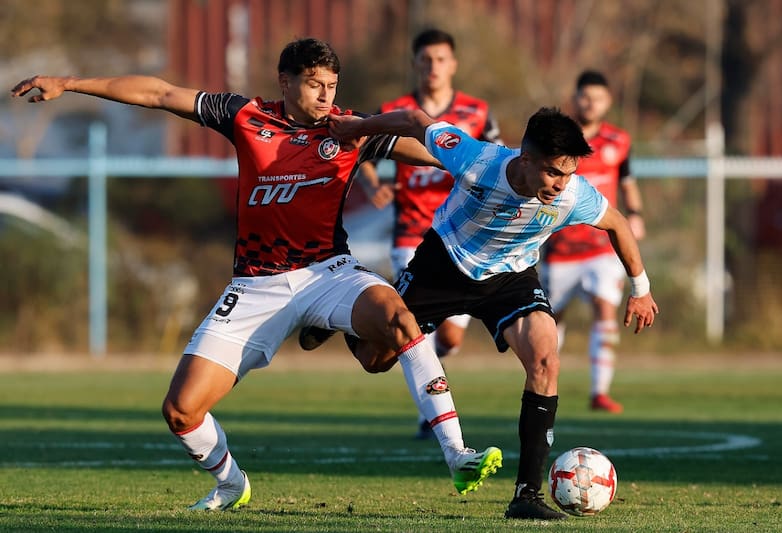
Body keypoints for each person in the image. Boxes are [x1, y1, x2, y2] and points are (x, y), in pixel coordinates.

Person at [10, 38, 501, 510]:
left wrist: (496, 167)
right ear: (285, 82)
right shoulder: (245, 116)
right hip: (256, 284)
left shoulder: (350, 129)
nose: (326, 95)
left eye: (332, 84)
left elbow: (441, 154)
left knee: (400, 320)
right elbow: (159, 93)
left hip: (329, 272)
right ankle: (231, 484)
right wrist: (70, 83)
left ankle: (457, 454)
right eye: (314, 84)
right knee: (180, 411)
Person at [321, 106, 658, 520]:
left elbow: (618, 223)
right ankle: (345, 309)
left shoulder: (574, 194)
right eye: (553, 172)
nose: (561, 184)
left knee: (546, 359)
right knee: (374, 360)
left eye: (569, 174)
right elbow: (414, 120)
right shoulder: (477, 160)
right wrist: (359, 127)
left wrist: (641, 289)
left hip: (510, 278)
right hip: (443, 266)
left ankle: (526, 496)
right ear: (525, 158)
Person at [350, 28, 503, 440]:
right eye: (426, 59)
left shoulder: (477, 112)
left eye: (440, 59)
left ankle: (427, 365)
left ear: (453, 64)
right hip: (411, 234)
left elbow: (498, 163)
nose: (433, 66)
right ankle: (432, 417)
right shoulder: (394, 110)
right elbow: (358, 143)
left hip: (462, 236)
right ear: (415, 64)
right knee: (414, 329)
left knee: (448, 336)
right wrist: (372, 183)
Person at [540, 70, 646, 414]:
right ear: (575, 99)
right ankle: (543, 381)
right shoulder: (560, 141)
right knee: (550, 320)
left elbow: (627, 182)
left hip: (602, 248)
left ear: (608, 101)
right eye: (585, 97)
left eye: (598, 98)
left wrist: (635, 214)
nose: (591, 103)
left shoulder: (619, 141)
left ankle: (600, 391)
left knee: (605, 309)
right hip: (561, 249)